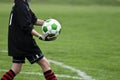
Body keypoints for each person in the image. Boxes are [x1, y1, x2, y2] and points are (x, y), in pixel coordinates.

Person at [1, 0, 57, 80]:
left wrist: (48, 23)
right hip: (24, 43)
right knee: (45, 63)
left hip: (16, 42)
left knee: (16, 68)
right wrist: (40, 36)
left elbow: (34, 20)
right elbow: (26, 27)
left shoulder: (21, 4)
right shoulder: (21, 6)